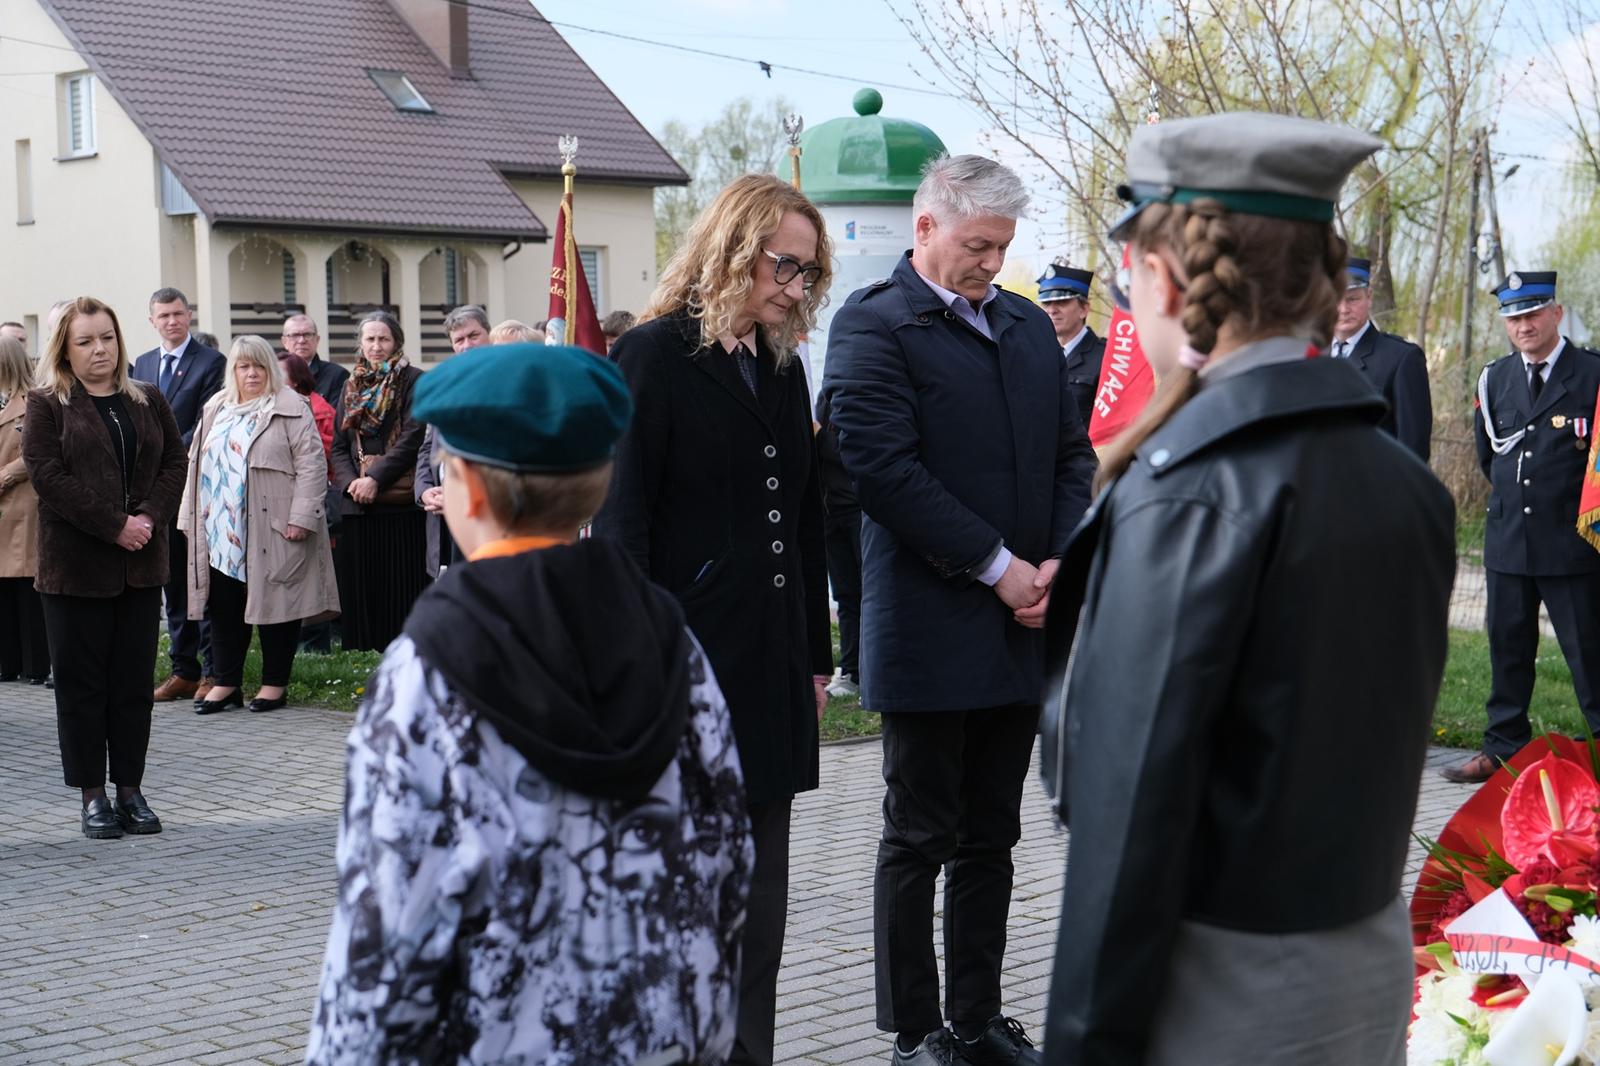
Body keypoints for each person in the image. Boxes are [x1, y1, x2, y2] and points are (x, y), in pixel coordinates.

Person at [1037, 113, 1456, 1065]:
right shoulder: (1403, 480)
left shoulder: (1191, 492)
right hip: (1366, 952)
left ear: (1166, 280)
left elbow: (1128, 824)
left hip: (1220, 982)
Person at [307, 342, 753, 1064]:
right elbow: (728, 855)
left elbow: (386, 930)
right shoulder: (671, 640)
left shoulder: (429, 670)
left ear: (470, 491)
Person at [822, 155, 1096, 1066]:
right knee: (918, 835)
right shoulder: (874, 324)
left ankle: (976, 1022)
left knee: (991, 837)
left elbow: (1072, 456)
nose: (992, 263)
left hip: (1022, 621)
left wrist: (1058, 562)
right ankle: (916, 1032)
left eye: (1002, 247)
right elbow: (881, 469)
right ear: (926, 226)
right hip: (931, 623)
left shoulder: (1023, 325)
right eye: (978, 245)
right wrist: (997, 566)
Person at [594, 173, 834, 1066]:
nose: (796, 288)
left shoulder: (783, 367)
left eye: (809, 273)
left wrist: (816, 658)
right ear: (733, 249)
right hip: (682, 667)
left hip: (771, 674)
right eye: (785, 265)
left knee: (758, 917)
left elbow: (804, 524)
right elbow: (622, 524)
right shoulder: (652, 355)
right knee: (682, 909)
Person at [23, 296, 187, 839]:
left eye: (107, 338)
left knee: (133, 687)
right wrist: (115, 525)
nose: (100, 350)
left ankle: (131, 790)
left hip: (140, 566)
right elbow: (46, 475)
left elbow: (175, 461)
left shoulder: (147, 398)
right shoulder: (47, 404)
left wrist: (149, 517)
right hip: (75, 570)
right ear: (64, 350)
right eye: (86, 341)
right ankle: (93, 795)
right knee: (82, 688)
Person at [1443, 270, 1600, 783]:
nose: (1524, 326)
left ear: (1556, 313)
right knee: (1507, 651)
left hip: (1573, 543)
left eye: (1533, 314)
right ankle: (1502, 748)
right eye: (1513, 318)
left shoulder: (1591, 374)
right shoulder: (1495, 378)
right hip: (1509, 541)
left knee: (1589, 653)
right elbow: (1490, 458)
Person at [178, 336, 338, 715]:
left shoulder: (291, 406)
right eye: (243, 366)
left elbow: (312, 465)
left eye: (259, 366)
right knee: (224, 605)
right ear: (232, 371)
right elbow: (195, 463)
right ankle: (226, 683)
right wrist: (187, 516)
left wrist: (302, 516)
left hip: (275, 523)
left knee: (278, 602)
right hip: (220, 526)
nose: (252, 373)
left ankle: (274, 684)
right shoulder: (217, 406)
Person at [132, 287, 225, 703]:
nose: (172, 321)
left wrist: (163, 454)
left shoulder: (211, 362)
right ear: (152, 320)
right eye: (163, 315)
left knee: (199, 578)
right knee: (170, 579)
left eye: (178, 314)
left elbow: (206, 421)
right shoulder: (143, 364)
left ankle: (210, 669)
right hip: (154, 490)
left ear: (189, 316)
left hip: (194, 484)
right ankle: (182, 669)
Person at [329, 310, 426, 651]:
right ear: (361, 343)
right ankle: (366, 653)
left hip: (399, 503)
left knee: (400, 585)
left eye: (383, 338)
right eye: (369, 339)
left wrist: (374, 478)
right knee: (364, 586)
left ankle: (402, 650)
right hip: (358, 502)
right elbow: (339, 446)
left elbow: (413, 438)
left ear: (396, 341)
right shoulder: (351, 384)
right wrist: (351, 484)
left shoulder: (414, 380)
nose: (376, 346)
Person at [1329, 256, 1433, 459]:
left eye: (1352, 299)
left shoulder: (1401, 358)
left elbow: (1413, 449)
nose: (1343, 309)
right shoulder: (1311, 357)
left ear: (1369, 296)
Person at [416, 306, 491, 580]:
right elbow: (427, 447)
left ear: (489, 333)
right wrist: (424, 490)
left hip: (485, 519)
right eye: (459, 340)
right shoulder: (444, 384)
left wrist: (459, 496)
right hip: (442, 517)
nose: (467, 345)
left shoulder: (503, 383)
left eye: (473, 336)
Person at [0, 336, 49, 684]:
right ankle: (8, 662)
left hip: (22, 501)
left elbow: (37, 451)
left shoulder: (33, 400)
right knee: (2, 588)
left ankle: (35, 665)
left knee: (25, 584)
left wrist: (4, 476)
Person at [813, 383, 861, 698]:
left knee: (870, 592)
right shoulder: (823, 397)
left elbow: (856, 454)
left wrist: (819, 436)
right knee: (845, 594)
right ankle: (851, 670)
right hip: (830, 511)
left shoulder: (860, 392)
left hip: (860, 509)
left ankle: (874, 671)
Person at [1038, 260, 1105, 427]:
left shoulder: (1106, 357)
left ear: (1084, 309)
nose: (1052, 310)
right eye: (1046, 303)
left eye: (1062, 302)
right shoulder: (1035, 355)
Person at [277, 349, 336, 473]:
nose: (272, 379)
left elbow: (331, 452)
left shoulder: (322, 412)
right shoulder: (268, 405)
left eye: (278, 374)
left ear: (296, 380)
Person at [282, 314, 349, 409]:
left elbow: (335, 415)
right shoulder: (274, 375)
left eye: (307, 335)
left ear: (317, 340)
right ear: (284, 342)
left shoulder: (337, 375)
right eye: (295, 335)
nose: (301, 340)